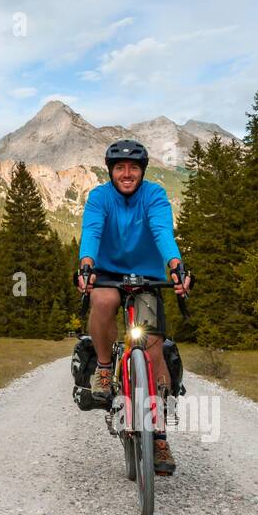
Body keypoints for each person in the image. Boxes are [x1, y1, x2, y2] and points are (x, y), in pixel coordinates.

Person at [76, 139, 192, 475]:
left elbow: (162, 232)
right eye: (120, 168)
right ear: (111, 171)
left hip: (149, 276)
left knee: (152, 349)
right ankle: (102, 367)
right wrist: (86, 264)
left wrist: (175, 265)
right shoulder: (100, 197)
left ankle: (158, 436)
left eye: (134, 168)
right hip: (108, 272)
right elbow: (92, 231)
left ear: (142, 171)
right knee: (103, 299)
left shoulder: (154, 196)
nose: (127, 174)